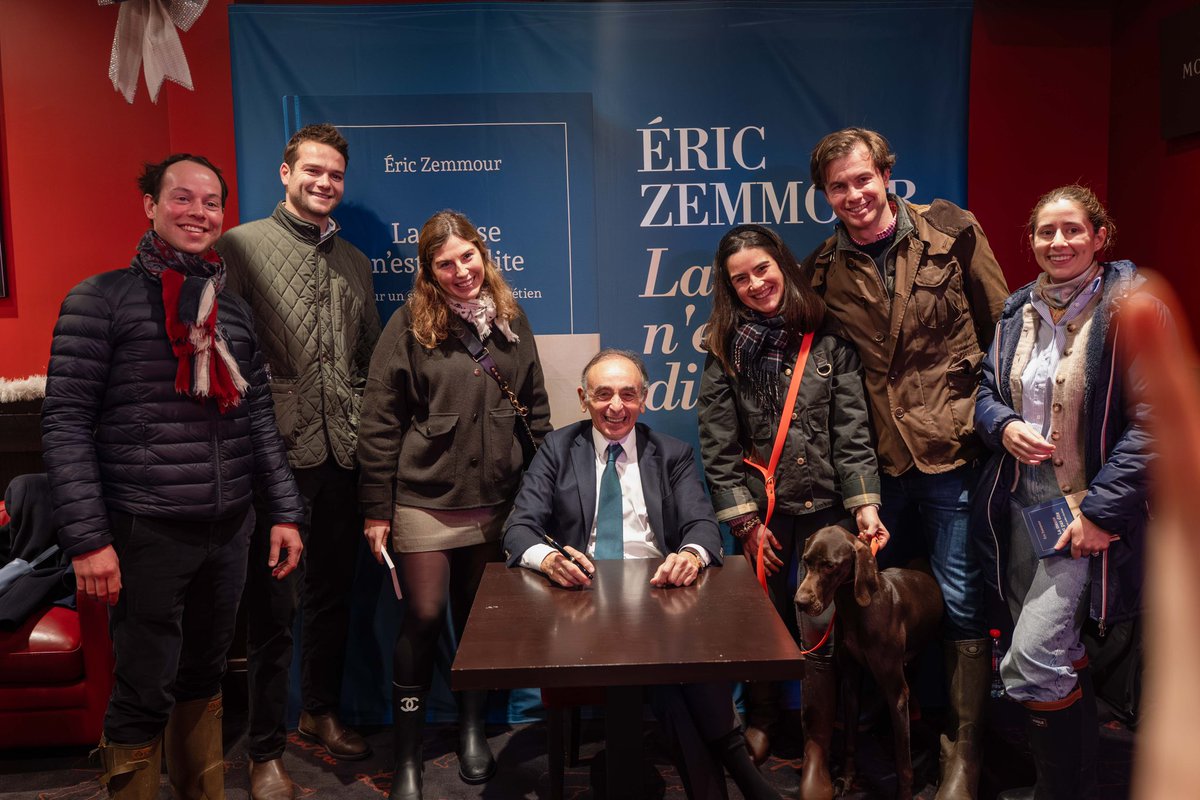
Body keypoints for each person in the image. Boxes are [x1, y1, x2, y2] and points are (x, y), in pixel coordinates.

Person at [41, 154, 305, 800]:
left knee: (204, 677)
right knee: (143, 687)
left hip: (230, 527)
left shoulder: (233, 313)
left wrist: (284, 513)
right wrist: (88, 540)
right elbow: (66, 425)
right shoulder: (98, 301)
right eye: (182, 198)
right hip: (145, 530)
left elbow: (259, 422)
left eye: (211, 203)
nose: (198, 213)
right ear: (151, 206)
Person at [802, 127, 1010, 800]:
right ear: (825, 195)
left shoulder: (953, 233)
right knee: (876, 605)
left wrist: (998, 423)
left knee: (959, 600)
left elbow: (1002, 331)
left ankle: (962, 752)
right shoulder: (822, 270)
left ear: (887, 175)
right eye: (838, 186)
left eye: (863, 179)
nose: (854, 194)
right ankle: (885, 734)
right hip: (880, 464)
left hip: (953, 450)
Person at [503, 349, 779, 800]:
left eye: (628, 395)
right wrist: (550, 560)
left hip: (657, 597)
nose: (616, 406)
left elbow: (702, 526)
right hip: (583, 601)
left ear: (644, 400)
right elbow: (518, 528)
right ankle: (740, 772)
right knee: (676, 673)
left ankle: (727, 779)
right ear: (583, 399)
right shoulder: (557, 449)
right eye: (603, 394)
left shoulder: (671, 453)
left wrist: (690, 555)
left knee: (678, 661)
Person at [358, 210, 551, 800]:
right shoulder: (407, 325)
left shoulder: (512, 320)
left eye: (468, 257)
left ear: (482, 255)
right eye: (445, 264)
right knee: (422, 615)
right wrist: (376, 508)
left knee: (476, 622)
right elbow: (379, 421)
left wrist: (543, 496)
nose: (461, 271)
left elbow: (536, 411)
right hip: (424, 499)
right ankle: (408, 755)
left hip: (496, 501)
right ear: (428, 271)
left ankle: (471, 730)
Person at [216, 123, 381, 799]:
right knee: (272, 610)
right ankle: (265, 750)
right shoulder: (239, 246)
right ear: (286, 173)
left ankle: (320, 710)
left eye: (335, 174)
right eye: (313, 170)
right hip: (273, 459)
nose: (324, 183)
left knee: (333, 597)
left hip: (343, 455)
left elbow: (367, 361)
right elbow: (219, 353)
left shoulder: (356, 262)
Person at [973, 186, 1154, 799]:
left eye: (1072, 229)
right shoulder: (1016, 310)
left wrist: (1102, 513)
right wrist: (1004, 424)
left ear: (1100, 236)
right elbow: (985, 392)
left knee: (1031, 656)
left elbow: (1154, 423)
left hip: (1086, 507)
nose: (1059, 242)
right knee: (1056, 649)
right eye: (1046, 232)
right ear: (1031, 241)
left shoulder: (1133, 308)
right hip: (1021, 505)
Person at [696, 224, 884, 783]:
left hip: (826, 512)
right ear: (729, 288)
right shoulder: (724, 350)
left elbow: (852, 432)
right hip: (765, 517)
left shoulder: (828, 338)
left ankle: (817, 747)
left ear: (782, 265)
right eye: (741, 279)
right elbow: (717, 442)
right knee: (761, 620)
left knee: (819, 628)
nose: (756, 284)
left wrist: (865, 505)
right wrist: (745, 523)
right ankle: (762, 719)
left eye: (762, 269)